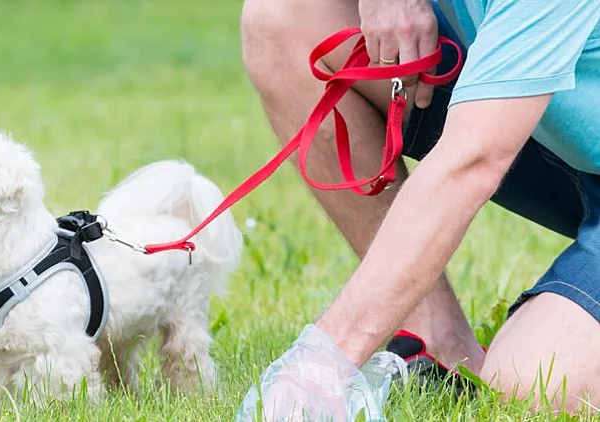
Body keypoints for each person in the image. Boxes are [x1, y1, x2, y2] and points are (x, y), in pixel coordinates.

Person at [240, 0, 600, 412]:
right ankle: (440, 348)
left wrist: (324, 359)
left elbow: (474, 158)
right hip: (555, 119)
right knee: (284, 17)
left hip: (513, 122)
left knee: (538, 384)